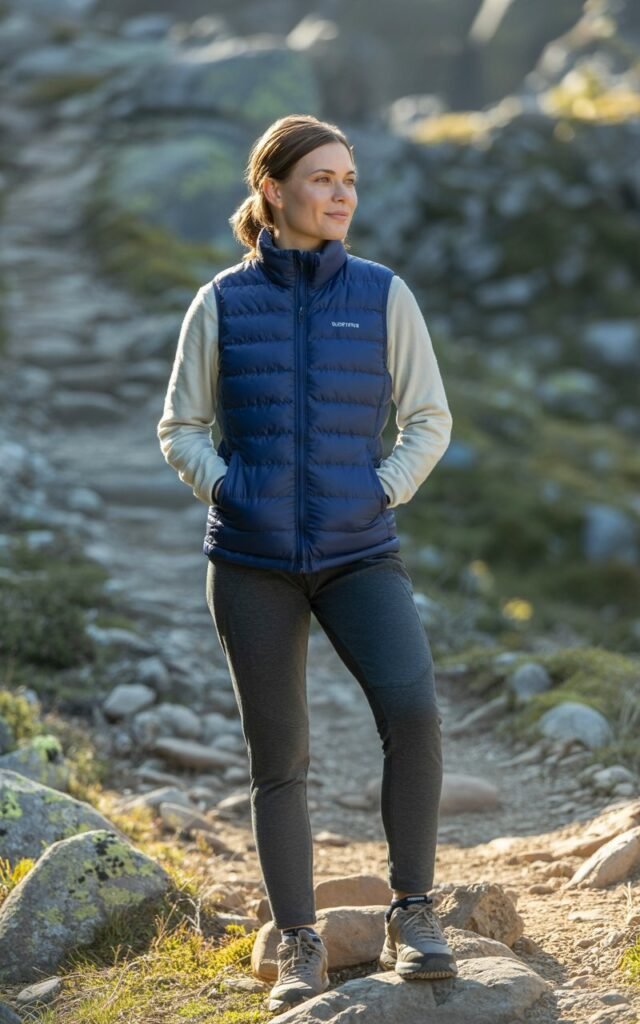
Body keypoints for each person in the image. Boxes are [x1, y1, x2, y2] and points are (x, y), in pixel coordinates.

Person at [157, 113, 457, 1013]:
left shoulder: (382, 294)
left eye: (350, 180)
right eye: (323, 179)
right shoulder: (218, 301)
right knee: (278, 755)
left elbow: (428, 418)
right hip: (251, 562)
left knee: (415, 712)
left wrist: (382, 489)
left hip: (359, 552)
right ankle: (297, 942)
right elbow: (180, 425)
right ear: (273, 191)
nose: (341, 195)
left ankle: (413, 912)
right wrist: (227, 489)